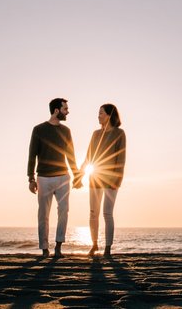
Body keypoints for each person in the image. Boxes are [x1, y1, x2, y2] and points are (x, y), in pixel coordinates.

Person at [27, 97, 82, 258]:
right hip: (43, 178)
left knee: (64, 212)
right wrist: (30, 178)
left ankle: (58, 247)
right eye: (65, 109)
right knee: (43, 214)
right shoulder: (38, 129)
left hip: (63, 177)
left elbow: (71, 156)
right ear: (56, 110)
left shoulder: (66, 131)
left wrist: (77, 176)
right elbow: (32, 155)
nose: (68, 112)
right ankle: (45, 249)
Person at [82, 103, 127, 257]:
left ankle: (108, 248)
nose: (98, 116)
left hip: (111, 181)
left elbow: (121, 159)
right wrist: (80, 174)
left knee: (107, 213)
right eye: (98, 113)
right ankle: (94, 245)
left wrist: (117, 180)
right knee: (93, 213)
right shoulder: (95, 134)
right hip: (95, 178)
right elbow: (88, 157)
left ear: (109, 115)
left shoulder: (120, 133)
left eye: (101, 113)